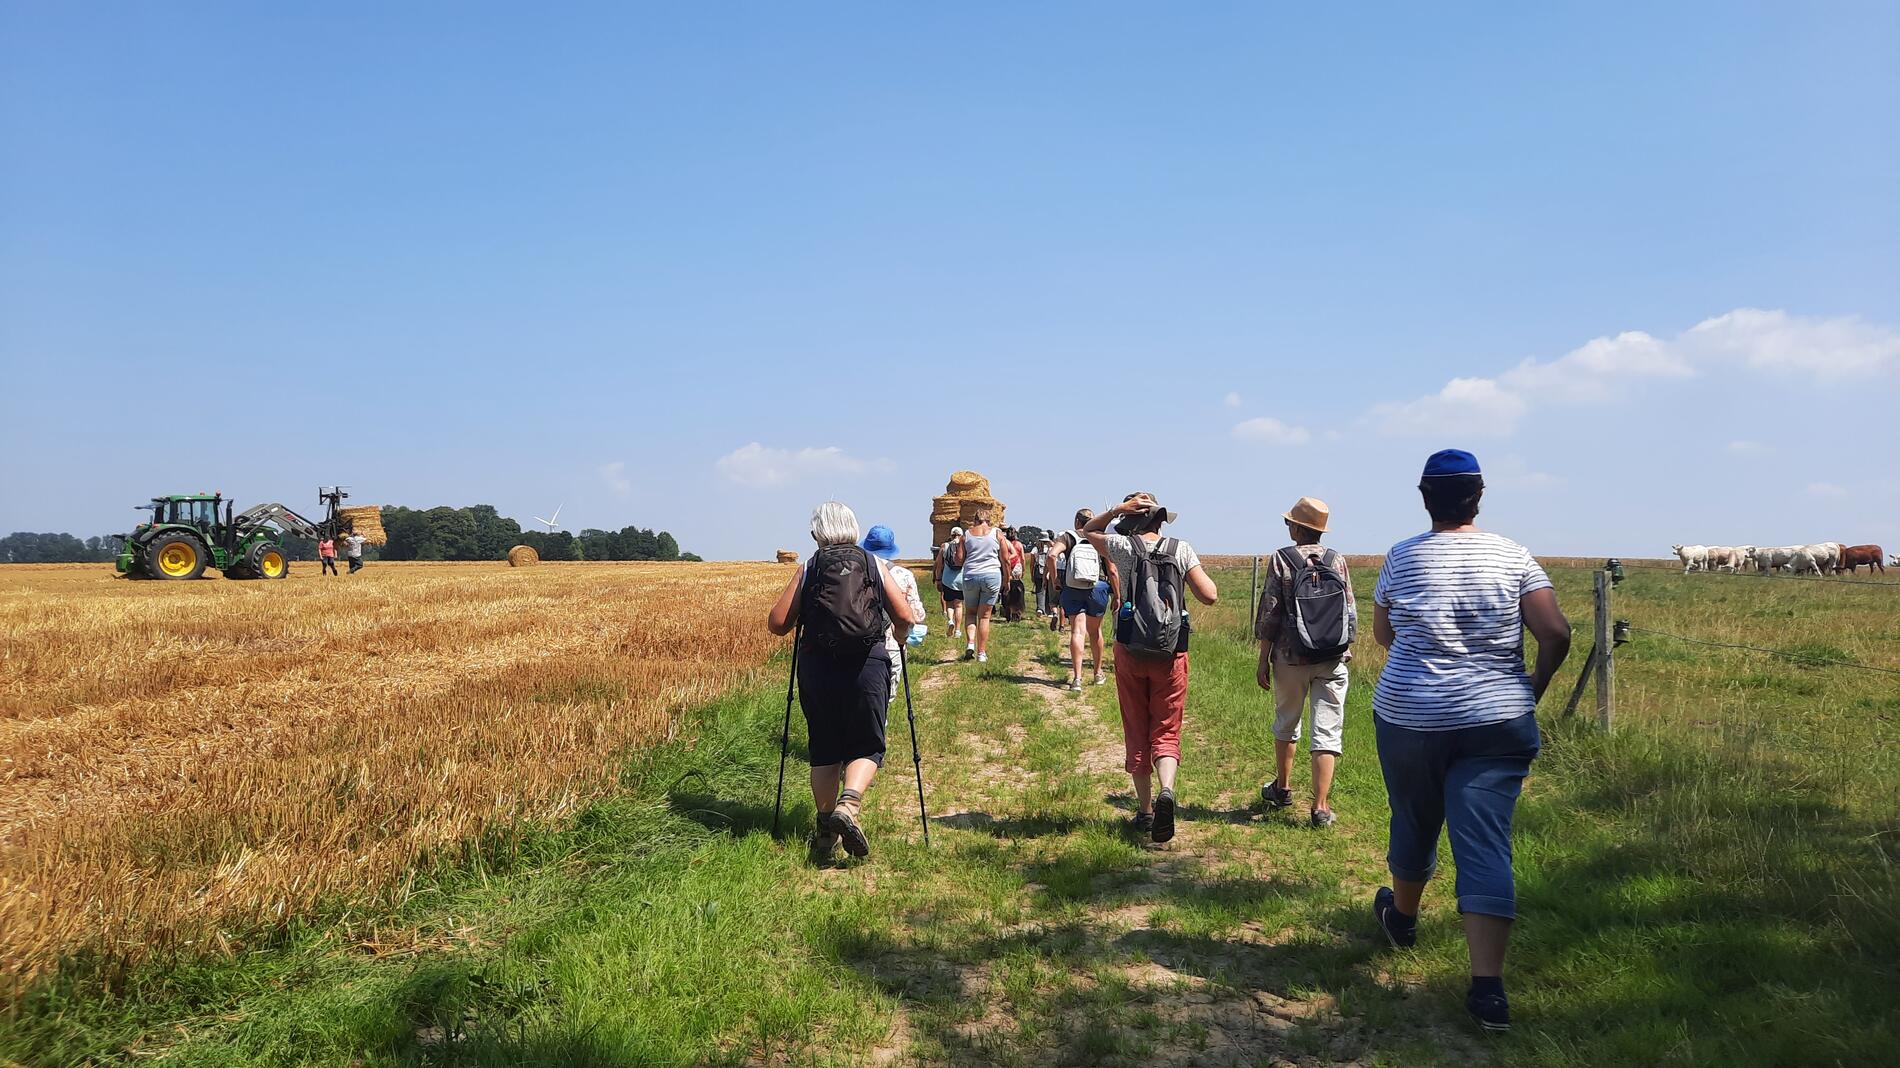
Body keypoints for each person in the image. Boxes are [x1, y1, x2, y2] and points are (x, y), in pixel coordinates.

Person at [1369, 450, 1571, 1034]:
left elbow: (1385, 633)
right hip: (1498, 719)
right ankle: (1488, 992)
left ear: (1424, 497)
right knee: (1485, 842)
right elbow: (1555, 631)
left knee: (1413, 816)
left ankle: (1402, 920)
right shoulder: (1515, 555)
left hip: (1411, 717)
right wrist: (1533, 684)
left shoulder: (1401, 556)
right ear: (1478, 496)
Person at [767, 502, 918, 863]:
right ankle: (848, 807)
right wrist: (897, 637)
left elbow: (777, 623)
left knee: (824, 747)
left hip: (818, 667)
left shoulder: (810, 567)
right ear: (853, 528)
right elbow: (905, 615)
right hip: (867, 663)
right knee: (867, 744)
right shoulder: (873, 563)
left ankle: (824, 832)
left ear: (816, 532)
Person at [1082, 493, 1216, 843]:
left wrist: (1114, 511)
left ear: (1132, 520)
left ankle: (1144, 812)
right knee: (1167, 729)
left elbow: (1084, 529)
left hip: (1129, 649)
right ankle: (1167, 789)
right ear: (1160, 520)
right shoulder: (1180, 549)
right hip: (1171, 653)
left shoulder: (1122, 547)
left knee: (1136, 729)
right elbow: (1210, 595)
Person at [1255, 496, 1355, 828]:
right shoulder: (1336, 559)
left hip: (1290, 656)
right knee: (1327, 731)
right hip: (1332, 656)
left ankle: (1282, 788)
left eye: (1289, 523)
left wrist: (1263, 658)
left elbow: (1270, 612)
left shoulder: (1281, 559)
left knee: (1287, 721)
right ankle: (1321, 808)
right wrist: (1344, 650)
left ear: (1298, 527)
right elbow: (1349, 611)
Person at [1049, 509, 1116, 691]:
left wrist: (1055, 579)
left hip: (1073, 587)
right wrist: (1116, 594)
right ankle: (1098, 673)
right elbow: (1112, 569)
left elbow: (1051, 555)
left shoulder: (1067, 537)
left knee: (1077, 632)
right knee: (1095, 632)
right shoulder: (1099, 538)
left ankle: (1077, 679)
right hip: (1098, 587)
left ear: (1076, 521)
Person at [862, 524, 926, 704]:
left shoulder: (858, 572)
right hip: (893, 642)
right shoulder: (904, 575)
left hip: (863, 642)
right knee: (887, 697)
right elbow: (917, 614)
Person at [952, 509, 1007, 662]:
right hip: (991, 576)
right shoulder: (997, 534)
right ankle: (981, 653)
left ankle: (970, 643)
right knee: (984, 616)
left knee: (970, 613)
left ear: (974, 520)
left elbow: (959, 560)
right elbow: (1006, 559)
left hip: (971, 575)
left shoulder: (966, 535)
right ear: (988, 520)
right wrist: (1007, 580)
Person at [933, 526, 965, 634]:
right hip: (961, 580)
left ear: (951, 535)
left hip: (947, 580)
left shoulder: (944, 546)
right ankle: (957, 630)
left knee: (950, 604)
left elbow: (938, 565)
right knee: (959, 605)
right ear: (961, 535)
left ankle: (950, 620)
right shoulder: (965, 547)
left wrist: (938, 579)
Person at [1002, 527, 1027, 622]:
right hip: (1016, 567)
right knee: (1017, 590)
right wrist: (1024, 569)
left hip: (1006, 567)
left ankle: (1007, 609)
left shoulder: (1004, 543)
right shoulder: (1019, 544)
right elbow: (1023, 558)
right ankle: (1017, 611)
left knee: (1006, 589)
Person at [1032, 535, 1055, 616]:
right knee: (1049, 591)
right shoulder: (1051, 548)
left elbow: (1032, 563)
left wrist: (1032, 574)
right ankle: (1049, 610)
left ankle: (1040, 608)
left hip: (1038, 571)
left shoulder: (1035, 549)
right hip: (1050, 571)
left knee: (1039, 590)